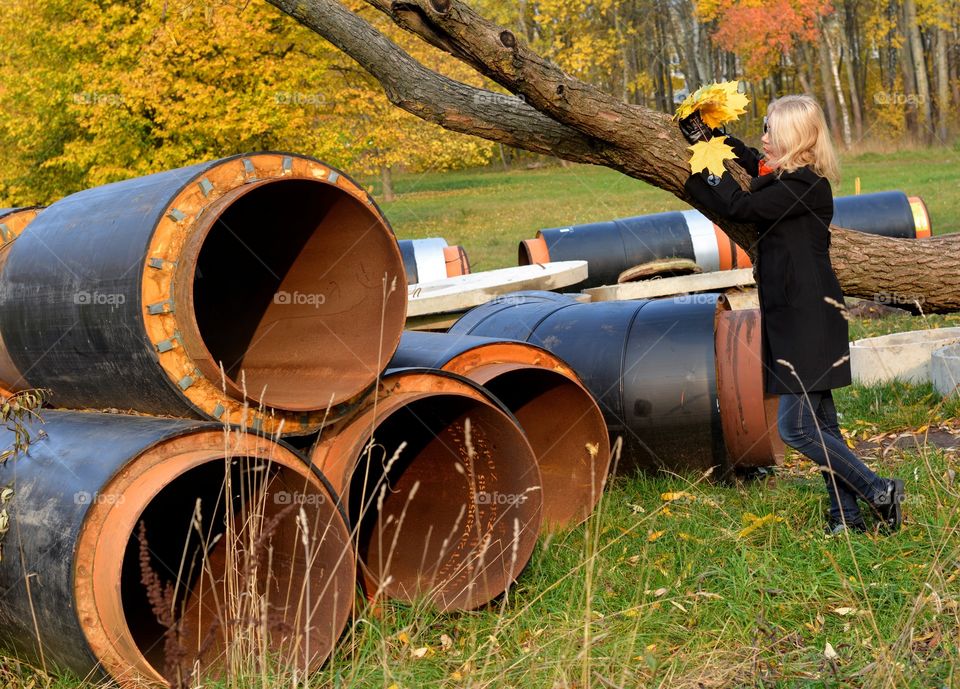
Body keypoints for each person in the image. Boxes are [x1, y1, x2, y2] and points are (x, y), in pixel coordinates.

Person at [679, 95, 904, 535]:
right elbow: (747, 159)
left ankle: (879, 490)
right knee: (824, 427)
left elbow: (739, 207)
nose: (762, 137)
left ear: (793, 139)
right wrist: (708, 136)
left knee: (797, 429)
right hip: (795, 316)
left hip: (808, 320)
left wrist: (702, 163)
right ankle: (847, 516)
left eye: (770, 131)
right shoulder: (782, 176)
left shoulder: (806, 186)